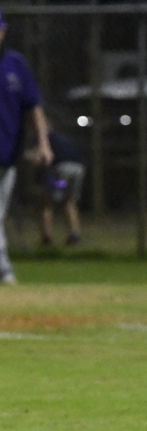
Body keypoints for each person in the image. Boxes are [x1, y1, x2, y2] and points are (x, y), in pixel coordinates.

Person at [0, 7, 53, 284]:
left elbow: (34, 107)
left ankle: (4, 268)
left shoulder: (15, 64)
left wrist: (43, 143)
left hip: (7, 154)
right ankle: (4, 269)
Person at [37, 128, 85, 248]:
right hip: (78, 169)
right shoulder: (62, 138)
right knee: (69, 201)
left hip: (61, 169)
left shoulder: (43, 137)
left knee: (47, 202)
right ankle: (74, 235)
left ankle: (46, 238)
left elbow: (39, 156)